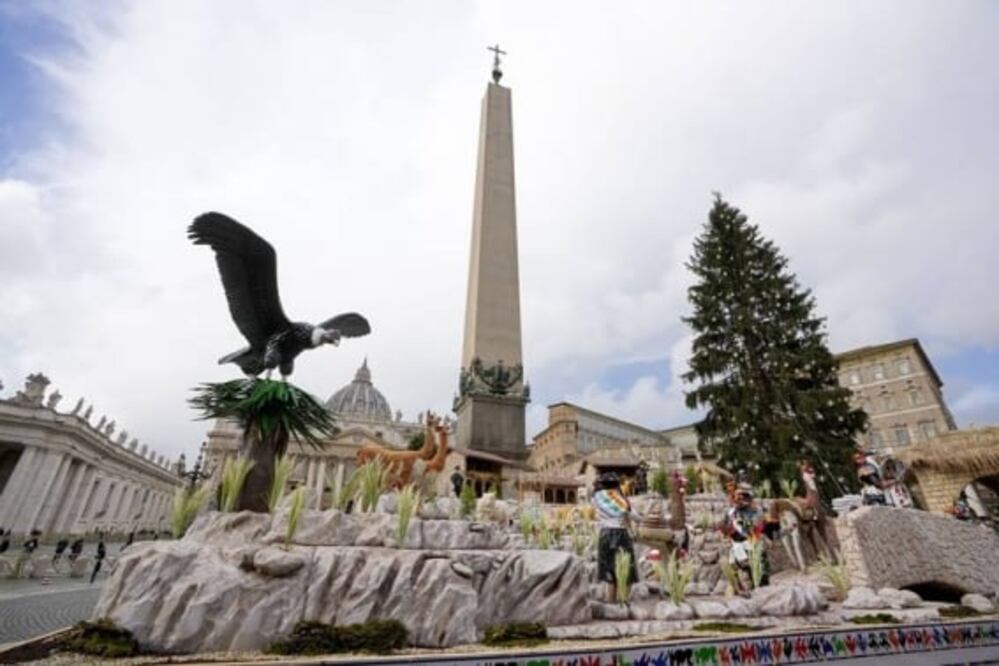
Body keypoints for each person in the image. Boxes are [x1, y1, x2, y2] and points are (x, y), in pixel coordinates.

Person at [592, 472, 640, 603]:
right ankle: (622, 600)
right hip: (620, 534)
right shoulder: (621, 500)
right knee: (627, 569)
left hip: (605, 534)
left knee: (609, 570)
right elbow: (634, 516)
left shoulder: (597, 498)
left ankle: (610, 600)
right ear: (617, 485)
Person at [723, 483, 771, 594]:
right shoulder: (731, 512)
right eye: (736, 496)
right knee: (741, 567)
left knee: (759, 570)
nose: (738, 499)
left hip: (752, 544)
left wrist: (743, 524)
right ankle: (744, 589)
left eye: (741, 496)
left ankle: (761, 589)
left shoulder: (755, 510)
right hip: (738, 544)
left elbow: (756, 526)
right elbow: (727, 527)